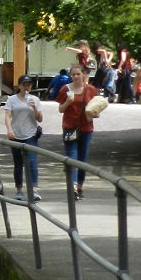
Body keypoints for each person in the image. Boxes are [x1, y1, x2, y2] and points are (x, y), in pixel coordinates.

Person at [58, 64, 100, 199]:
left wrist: (95, 113)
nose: (76, 77)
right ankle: (73, 187)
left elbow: (97, 109)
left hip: (86, 129)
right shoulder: (65, 89)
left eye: (78, 74)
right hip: (69, 128)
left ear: (83, 75)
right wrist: (67, 103)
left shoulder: (90, 90)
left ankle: (80, 186)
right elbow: (60, 109)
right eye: (73, 74)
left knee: (82, 159)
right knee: (72, 158)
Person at [5, 74, 44, 200]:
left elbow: (40, 118)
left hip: (31, 134)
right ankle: (19, 190)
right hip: (16, 134)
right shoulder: (12, 100)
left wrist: (34, 108)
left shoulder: (35, 100)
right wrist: (9, 130)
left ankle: (34, 190)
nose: (26, 87)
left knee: (32, 161)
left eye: (28, 84)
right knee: (18, 163)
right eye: (24, 84)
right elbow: (7, 116)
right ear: (20, 86)